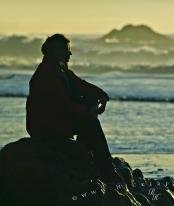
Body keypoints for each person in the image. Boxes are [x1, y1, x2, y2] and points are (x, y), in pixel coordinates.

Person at [26, 34, 122, 184]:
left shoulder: (60, 69)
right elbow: (61, 105)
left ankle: (86, 152)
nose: (70, 53)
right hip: (45, 126)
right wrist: (87, 113)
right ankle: (106, 171)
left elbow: (81, 85)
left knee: (89, 102)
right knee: (91, 123)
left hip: (56, 119)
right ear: (55, 51)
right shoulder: (46, 74)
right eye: (67, 49)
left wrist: (102, 95)